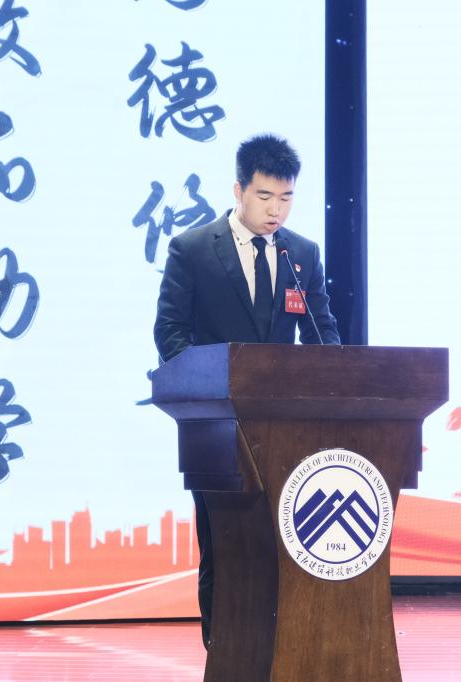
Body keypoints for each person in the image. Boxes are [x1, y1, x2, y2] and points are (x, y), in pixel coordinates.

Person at [153, 133, 340, 648]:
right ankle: (223, 655)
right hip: (216, 429)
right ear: (239, 190)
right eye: (264, 196)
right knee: (224, 547)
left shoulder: (302, 254)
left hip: (285, 430)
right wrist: (207, 387)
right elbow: (170, 332)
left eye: (286, 198)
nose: (276, 210)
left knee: (282, 548)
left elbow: (321, 330)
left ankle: (283, 652)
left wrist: (335, 377)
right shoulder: (193, 249)